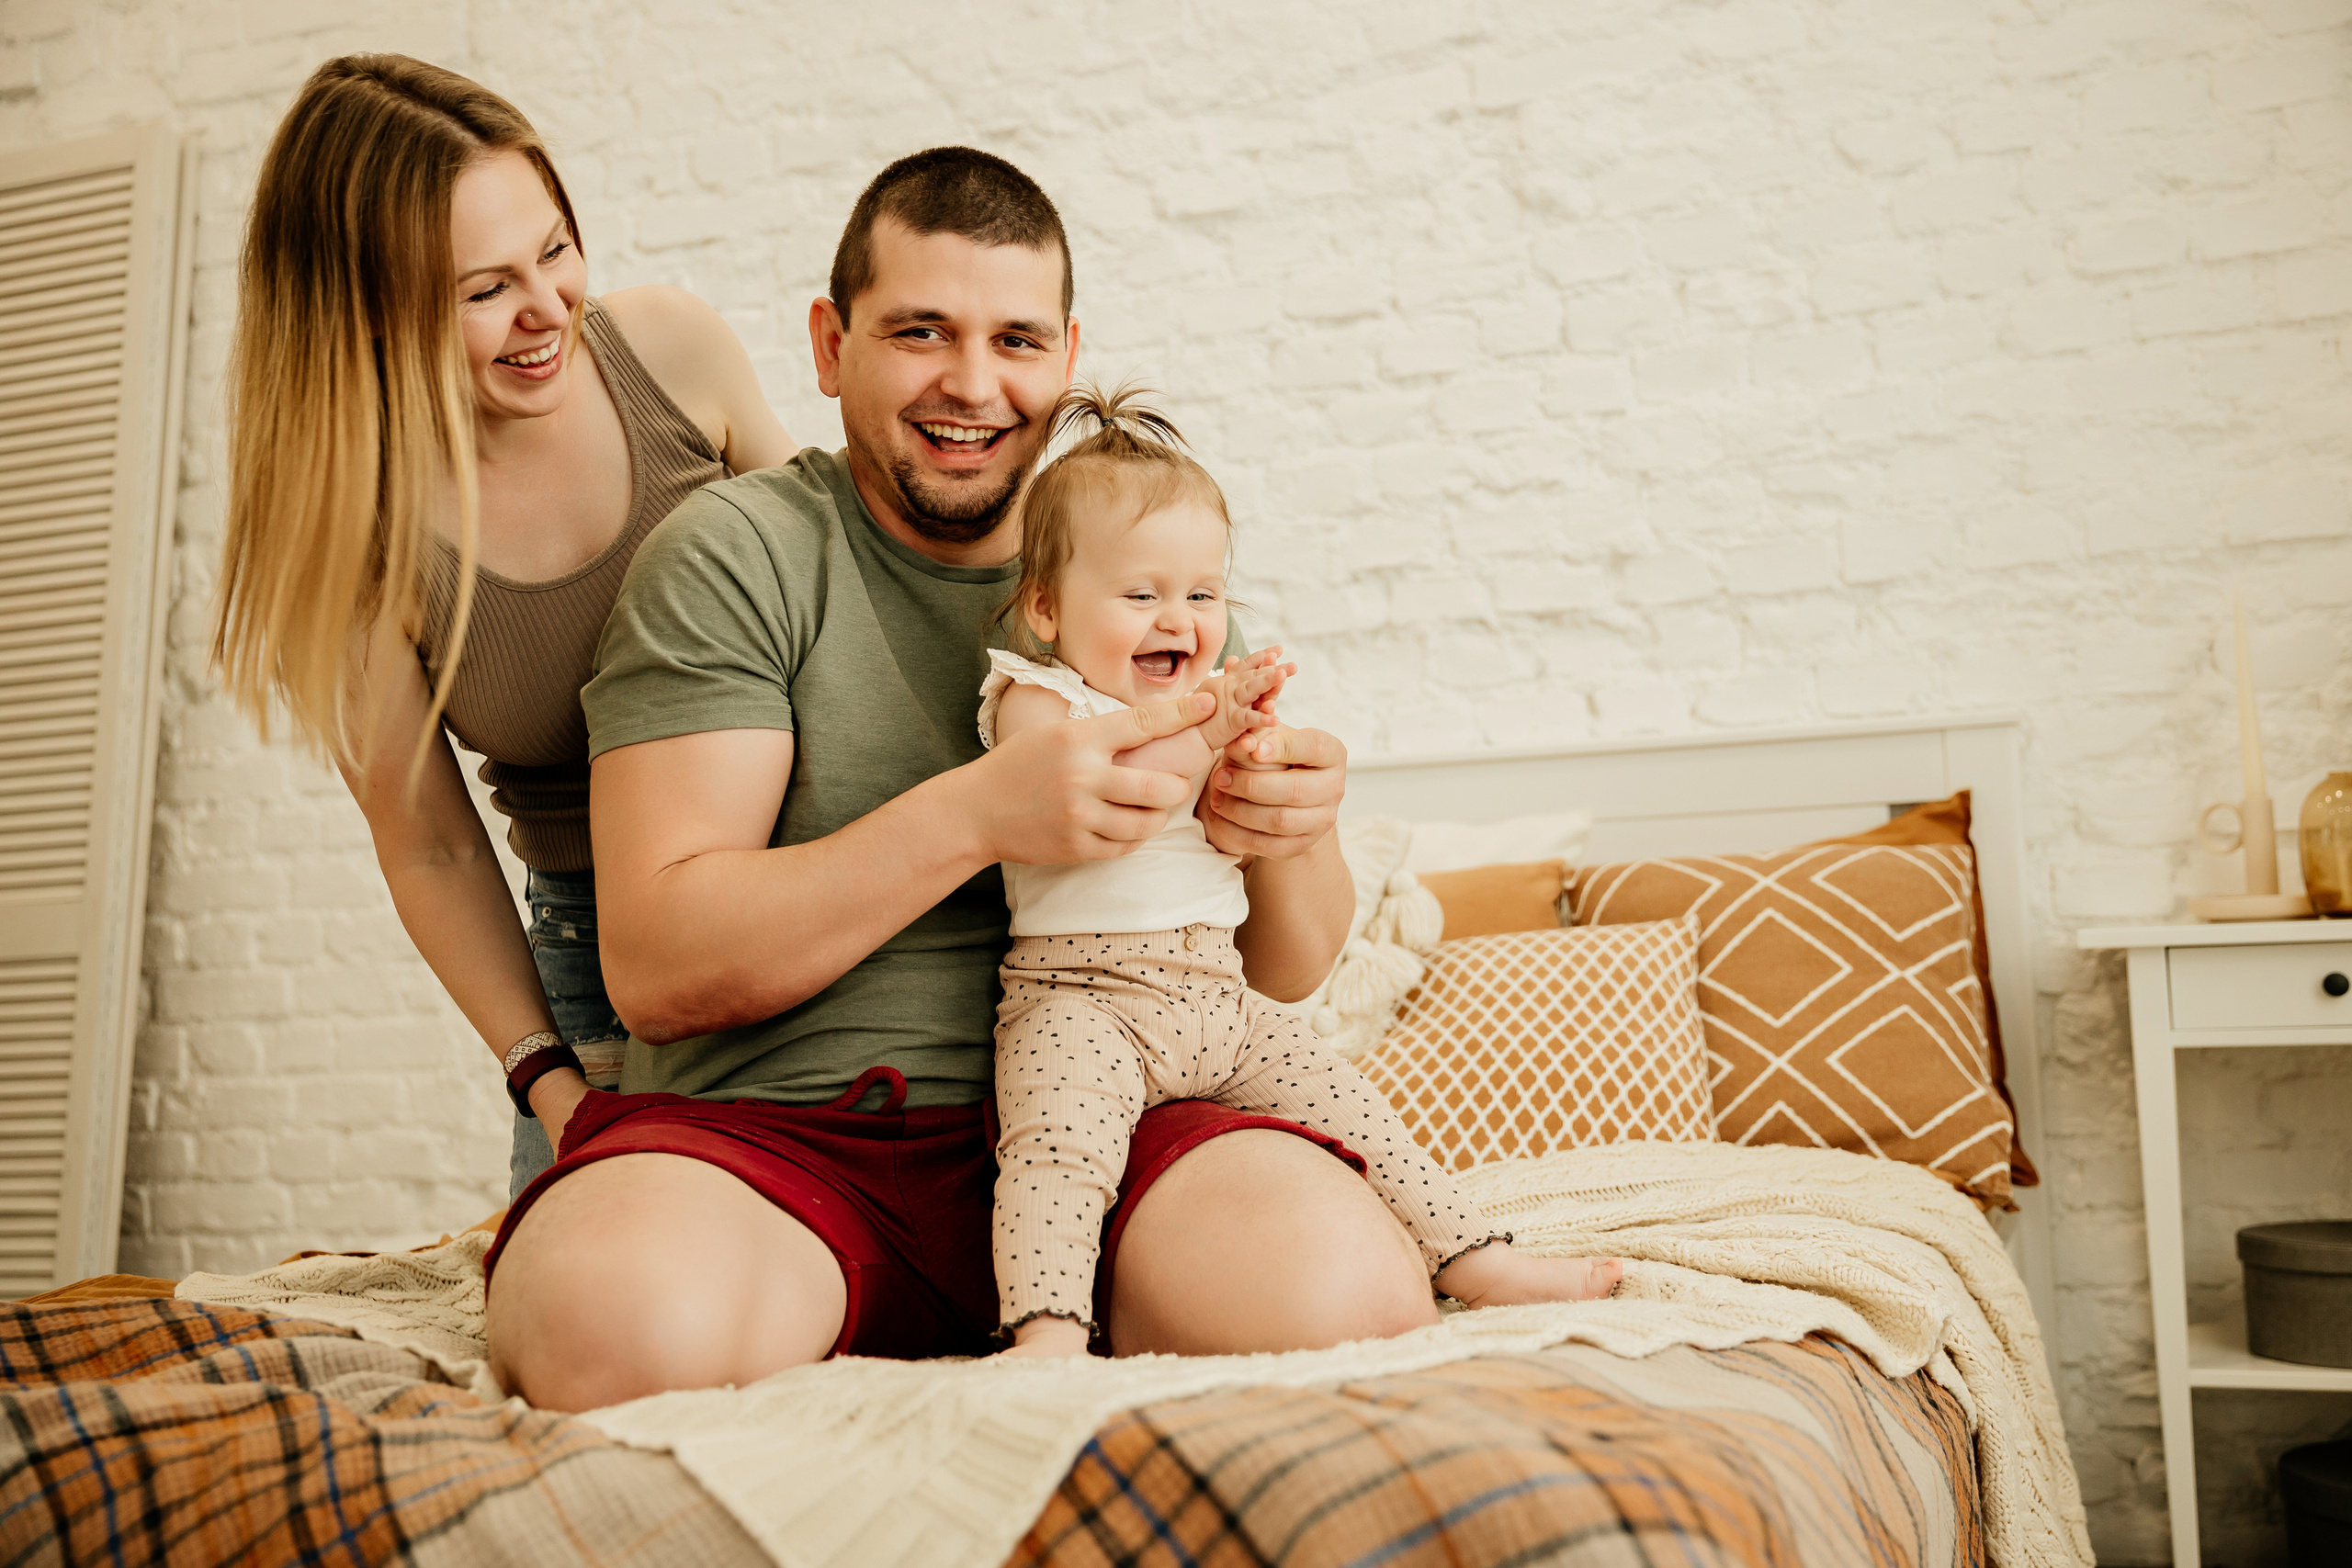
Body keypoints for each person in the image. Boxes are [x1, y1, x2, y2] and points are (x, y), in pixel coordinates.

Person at [483, 147, 1442, 1412]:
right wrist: (984, 810)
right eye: (921, 331)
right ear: (830, 346)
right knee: (606, 1324)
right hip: (784, 1137)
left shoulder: (1145, 567)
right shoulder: (740, 554)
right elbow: (661, 967)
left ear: (1069, 353)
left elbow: (1283, 965)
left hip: (1128, 1124)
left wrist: (1295, 827)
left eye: (1018, 340)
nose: (975, 385)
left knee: (1345, 1302)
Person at [210, 55, 796, 1201]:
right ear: (362, 315)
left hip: (814, 886)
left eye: (556, 250)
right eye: (483, 291)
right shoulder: (356, 535)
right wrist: (550, 1079)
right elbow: (426, 839)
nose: (546, 312)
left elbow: (851, 590)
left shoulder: (672, 355)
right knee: (596, 1324)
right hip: (600, 975)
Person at [978, 385, 1623, 1358]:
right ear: (1044, 608)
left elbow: (1231, 841)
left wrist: (1259, 776)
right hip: (1081, 999)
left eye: (1203, 595)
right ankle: (1047, 1331)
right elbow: (1113, 798)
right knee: (1058, 1156)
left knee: (1358, 1111)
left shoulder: (1204, 704)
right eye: (1141, 594)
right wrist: (1213, 730)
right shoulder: (1034, 699)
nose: (1180, 620)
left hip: (1217, 995)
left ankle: (1477, 1262)